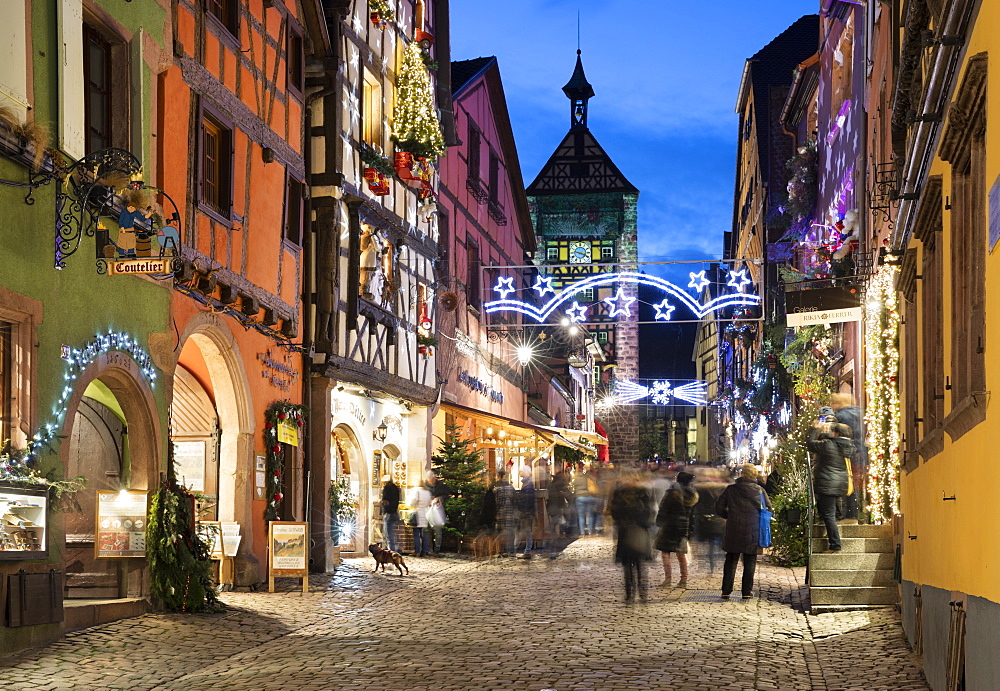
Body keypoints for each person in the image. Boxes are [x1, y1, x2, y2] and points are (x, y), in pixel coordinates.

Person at [715, 464, 772, 599]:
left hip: (734, 527)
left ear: (742, 474)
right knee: (750, 560)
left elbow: (718, 508)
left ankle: (726, 590)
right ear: (754, 475)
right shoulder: (759, 491)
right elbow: (769, 508)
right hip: (753, 529)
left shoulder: (731, 489)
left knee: (731, 559)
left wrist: (728, 516)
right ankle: (746, 592)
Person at [808, 420, 854, 553]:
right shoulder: (847, 445)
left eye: (832, 431)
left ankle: (835, 546)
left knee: (828, 514)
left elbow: (810, 445)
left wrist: (815, 429)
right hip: (840, 483)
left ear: (837, 433)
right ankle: (832, 533)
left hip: (828, 482)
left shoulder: (829, 444)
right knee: (829, 512)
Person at [609, 471, 654, 603]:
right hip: (639, 530)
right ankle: (642, 593)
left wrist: (620, 523)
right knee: (640, 564)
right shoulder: (644, 493)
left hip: (625, 531)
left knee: (629, 565)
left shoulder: (620, 493)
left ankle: (630, 594)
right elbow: (649, 511)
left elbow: (614, 511)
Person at [654, 471, 699, 589]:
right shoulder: (692, 495)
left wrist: (659, 522)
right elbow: (693, 515)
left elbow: (663, 508)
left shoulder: (672, 493)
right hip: (684, 526)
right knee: (681, 554)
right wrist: (690, 529)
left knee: (665, 553)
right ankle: (683, 580)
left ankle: (668, 580)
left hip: (669, 525)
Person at [831, 392, 866, 519]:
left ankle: (848, 514)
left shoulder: (840, 416)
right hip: (861, 452)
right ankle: (858, 513)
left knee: (845, 482)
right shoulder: (861, 413)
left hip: (846, 454)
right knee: (857, 482)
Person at [405, 481, 432, 557]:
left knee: (416, 534)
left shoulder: (416, 491)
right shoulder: (427, 492)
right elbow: (429, 503)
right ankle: (424, 551)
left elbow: (412, 502)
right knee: (424, 535)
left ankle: (417, 551)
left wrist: (409, 505)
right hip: (426, 514)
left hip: (418, 514)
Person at [493, 471, 517, 556]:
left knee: (500, 532)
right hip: (510, 513)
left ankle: (500, 550)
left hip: (500, 513)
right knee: (510, 531)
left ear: (499, 477)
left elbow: (496, 503)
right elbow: (515, 501)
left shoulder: (496, 489)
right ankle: (510, 550)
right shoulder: (511, 488)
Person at [427, 472, 451, 555]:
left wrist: (439, 498)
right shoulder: (425, 486)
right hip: (427, 509)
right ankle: (429, 548)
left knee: (437, 530)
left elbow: (447, 495)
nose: (431, 481)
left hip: (437, 510)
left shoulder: (441, 485)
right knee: (427, 530)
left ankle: (437, 549)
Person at [515, 467, 535, 559]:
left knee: (525, 531)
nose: (519, 473)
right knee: (525, 531)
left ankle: (526, 551)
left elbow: (527, 499)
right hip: (526, 511)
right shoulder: (528, 484)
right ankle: (525, 550)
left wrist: (524, 510)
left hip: (525, 511)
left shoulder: (527, 485)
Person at [572, 467, 597, 536]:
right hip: (589, 496)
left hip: (579, 497)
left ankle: (582, 533)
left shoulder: (575, 478)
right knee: (590, 515)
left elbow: (573, 486)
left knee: (581, 516)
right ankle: (590, 531)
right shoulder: (587, 476)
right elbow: (594, 483)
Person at [380, 474, 400, 552]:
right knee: (393, 534)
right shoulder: (396, 488)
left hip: (389, 513)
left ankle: (392, 552)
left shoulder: (387, 488)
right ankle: (394, 550)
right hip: (395, 513)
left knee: (389, 534)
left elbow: (385, 501)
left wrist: (384, 506)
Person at [547, 470, 570, 536]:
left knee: (556, 520)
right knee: (559, 519)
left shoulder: (552, 484)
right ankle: (562, 532)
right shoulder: (560, 485)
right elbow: (563, 496)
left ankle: (556, 533)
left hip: (553, 504)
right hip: (557, 505)